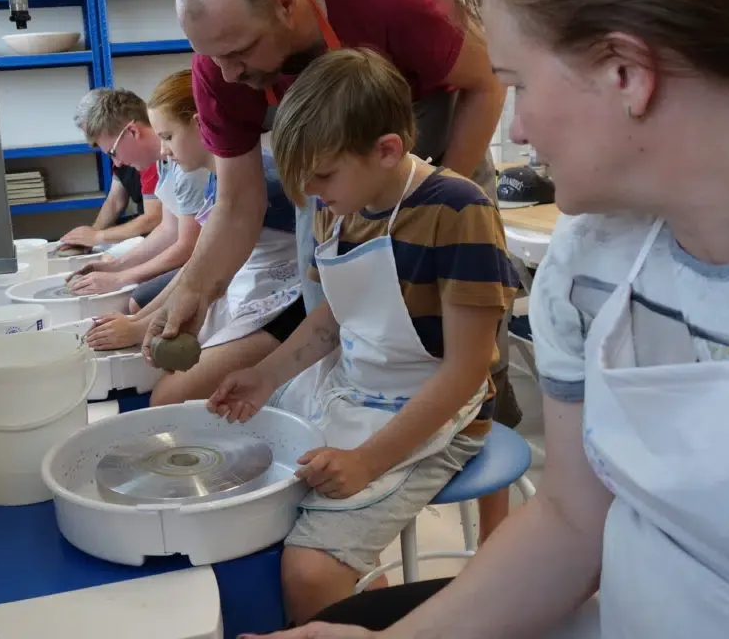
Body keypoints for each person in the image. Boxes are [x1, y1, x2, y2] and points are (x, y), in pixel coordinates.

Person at [250, 0, 729, 637]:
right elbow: (573, 520)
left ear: (626, 73)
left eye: (518, 85)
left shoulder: (462, 215)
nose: (523, 131)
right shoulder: (588, 263)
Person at [144, 0, 523, 531]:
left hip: (438, 148)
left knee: (469, 342)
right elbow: (237, 206)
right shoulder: (223, 73)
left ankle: (494, 529)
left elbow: (486, 84)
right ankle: (366, 464)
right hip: (329, 172)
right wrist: (192, 293)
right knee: (335, 308)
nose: (227, 72)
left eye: (240, 51)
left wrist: (430, 204)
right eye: (211, 57)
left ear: (286, 4)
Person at [207, 48, 518, 625]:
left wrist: (368, 461)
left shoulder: (457, 211)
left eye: (323, 175)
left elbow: (466, 370)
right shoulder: (339, 204)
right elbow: (334, 319)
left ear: (388, 150)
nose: (313, 192)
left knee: (310, 570)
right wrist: (265, 376)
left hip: (442, 410)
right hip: (357, 389)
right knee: (248, 501)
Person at [86, 69, 306, 405]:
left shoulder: (260, 179)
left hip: (287, 303)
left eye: (168, 137)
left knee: (167, 398)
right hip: (249, 286)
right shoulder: (218, 176)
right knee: (167, 366)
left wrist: (140, 322)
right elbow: (201, 265)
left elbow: (201, 263)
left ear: (200, 124)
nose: (163, 150)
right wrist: (140, 321)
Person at [67, 88, 210, 308]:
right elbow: (168, 229)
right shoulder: (164, 162)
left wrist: (120, 278)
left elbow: (188, 246)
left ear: (132, 132)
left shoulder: (186, 166)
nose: (117, 163)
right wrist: (116, 266)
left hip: (216, 258)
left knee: (136, 301)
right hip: (199, 253)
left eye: (113, 153)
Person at [61, 90, 163, 251]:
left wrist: (98, 237)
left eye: (96, 133)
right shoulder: (122, 151)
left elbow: (154, 218)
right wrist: (90, 236)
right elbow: (114, 202)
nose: (92, 140)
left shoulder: (149, 157)